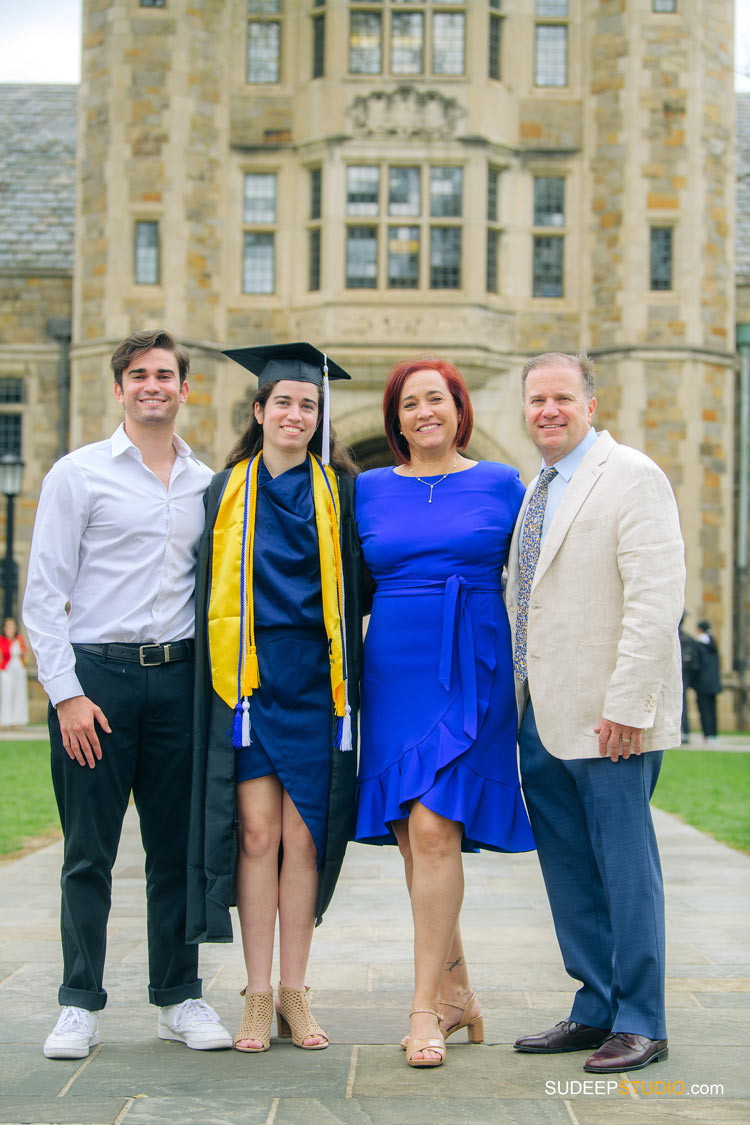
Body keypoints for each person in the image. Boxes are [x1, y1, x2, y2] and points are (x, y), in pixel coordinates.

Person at [23, 329, 232, 1060]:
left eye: (165, 375)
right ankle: (79, 1000)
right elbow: (43, 594)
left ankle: (178, 994)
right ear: (119, 389)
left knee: (177, 852)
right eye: (139, 374)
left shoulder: (208, 483)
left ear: (184, 388)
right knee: (90, 852)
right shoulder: (77, 475)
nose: (153, 385)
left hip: (178, 683)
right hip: (97, 681)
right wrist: (66, 694)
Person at [354, 356, 535, 1068]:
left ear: (460, 408)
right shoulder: (366, 489)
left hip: (474, 664)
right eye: (408, 403)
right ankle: (459, 991)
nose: (424, 411)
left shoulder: (503, 482)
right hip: (395, 667)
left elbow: (538, 572)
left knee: (435, 829)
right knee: (412, 834)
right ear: (395, 418)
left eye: (436, 399)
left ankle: (425, 1008)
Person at [507, 352, 685, 1074]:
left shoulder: (632, 475)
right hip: (542, 716)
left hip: (610, 719)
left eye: (561, 398)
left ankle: (642, 1019)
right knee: (571, 869)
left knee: (624, 866)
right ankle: (595, 1003)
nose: (547, 410)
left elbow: (654, 597)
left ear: (589, 402)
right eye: (536, 400)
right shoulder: (536, 488)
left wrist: (628, 705)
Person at [187, 342, 363, 1054]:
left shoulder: (341, 491)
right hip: (248, 683)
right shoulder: (223, 491)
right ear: (258, 410)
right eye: (282, 401)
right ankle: (256, 995)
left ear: (320, 417)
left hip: (319, 687)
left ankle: (296, 990)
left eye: (308, 404)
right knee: (257, 835)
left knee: (304, 838)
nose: (295, 413)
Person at [694, 620, 721, 743]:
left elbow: (697, 665)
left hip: (703, 683)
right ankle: (714, 734)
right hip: (714, 683)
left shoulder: (699, 645)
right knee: (712, 710)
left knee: (704, 710)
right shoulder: (713, 644)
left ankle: (707, 734)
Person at [0, 617, 29, 728]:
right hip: (7, 670)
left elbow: (24, 653)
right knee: (6, 694)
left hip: (19, 669)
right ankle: (4, 720)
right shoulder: (2, 640)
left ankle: (17, 720)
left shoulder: (19, 640)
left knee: (19, 694)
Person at [678, 614, 698, 744]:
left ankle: (685, 732)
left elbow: (692, 662)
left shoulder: (686, 640)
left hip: (682, 678)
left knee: (682, 705)